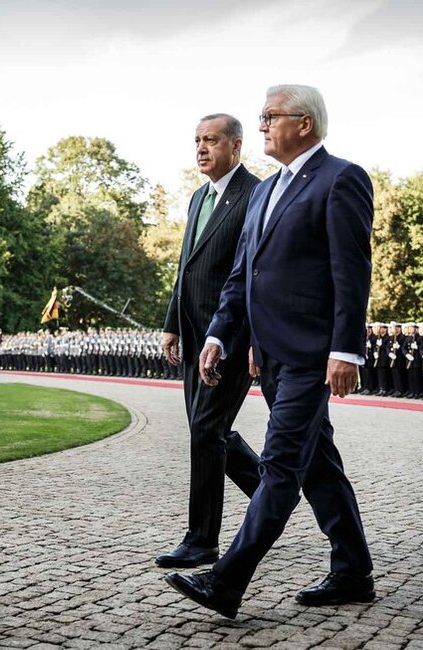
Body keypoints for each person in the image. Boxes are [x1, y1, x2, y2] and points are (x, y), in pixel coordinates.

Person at [163, 85, 374, 619]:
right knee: (319, 466)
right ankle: (353, 572)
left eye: (269, 117)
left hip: (311, 354)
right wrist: (219, 334)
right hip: (270, 356)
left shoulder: (340, 178)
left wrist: (346, 350)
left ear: (303, 123)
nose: (260, 126)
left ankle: (226, 582)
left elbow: (351, 274)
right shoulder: (263, 192)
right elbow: (243, 277)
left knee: (280, 466)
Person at [157, 114, 262, 568]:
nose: (201, 148)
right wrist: (171, 322)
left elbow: (258, 271)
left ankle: (201, 539)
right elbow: (187, 265)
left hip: (231, 335)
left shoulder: (256, 194)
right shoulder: (199, 196)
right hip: (193, 330)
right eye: (197, 140)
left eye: (211, 140)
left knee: (206, 429)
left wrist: (256, 335)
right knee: (209, 431)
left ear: (236, 146)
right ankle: (269, 492)